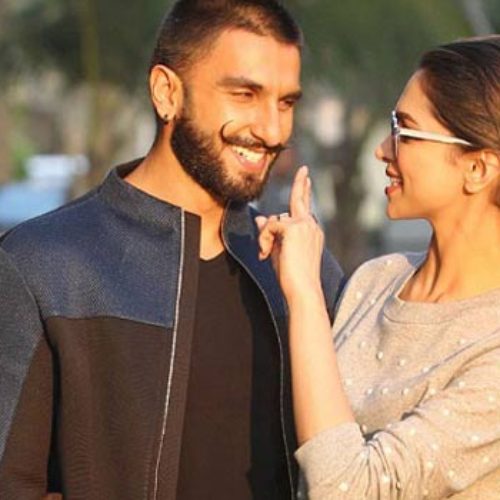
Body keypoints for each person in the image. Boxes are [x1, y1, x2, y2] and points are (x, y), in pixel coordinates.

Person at [0, 1, 344, 498]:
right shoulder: (44, 265)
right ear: (167, 92)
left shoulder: (303, 272)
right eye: (244, 94)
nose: (272, 131)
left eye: (286, 102)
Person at [257, 35, 500, 498]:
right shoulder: (375, 280)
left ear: (478, 169)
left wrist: (305, 294)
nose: (383, 150)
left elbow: (351, 489)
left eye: (405, 131)